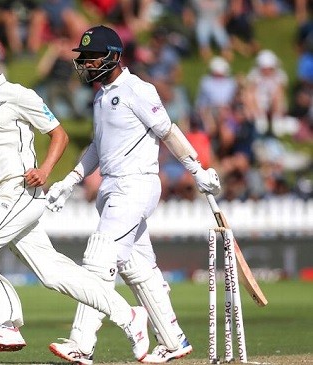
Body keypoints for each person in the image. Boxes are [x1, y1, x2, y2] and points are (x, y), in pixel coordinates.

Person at [0, 28, 150, 362]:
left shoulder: (18, 95)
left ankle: (8, 323)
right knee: (52, 273)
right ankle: (128, 314)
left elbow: (58, 135)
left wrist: (45, 170)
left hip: (21, 190)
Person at [45, 25, 221, 364]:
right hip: (112, 186)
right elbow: (98, 146)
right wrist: (70, 181)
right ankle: (173, 341)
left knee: (99, 257)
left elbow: (167, 131)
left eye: (92, 58)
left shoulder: (137, 90)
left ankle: (81, 344)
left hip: (136, 185)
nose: (86, 65)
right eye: (84, 59)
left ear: (112, 56)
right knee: (136, 267)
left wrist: (196, 168)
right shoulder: (99, 97)